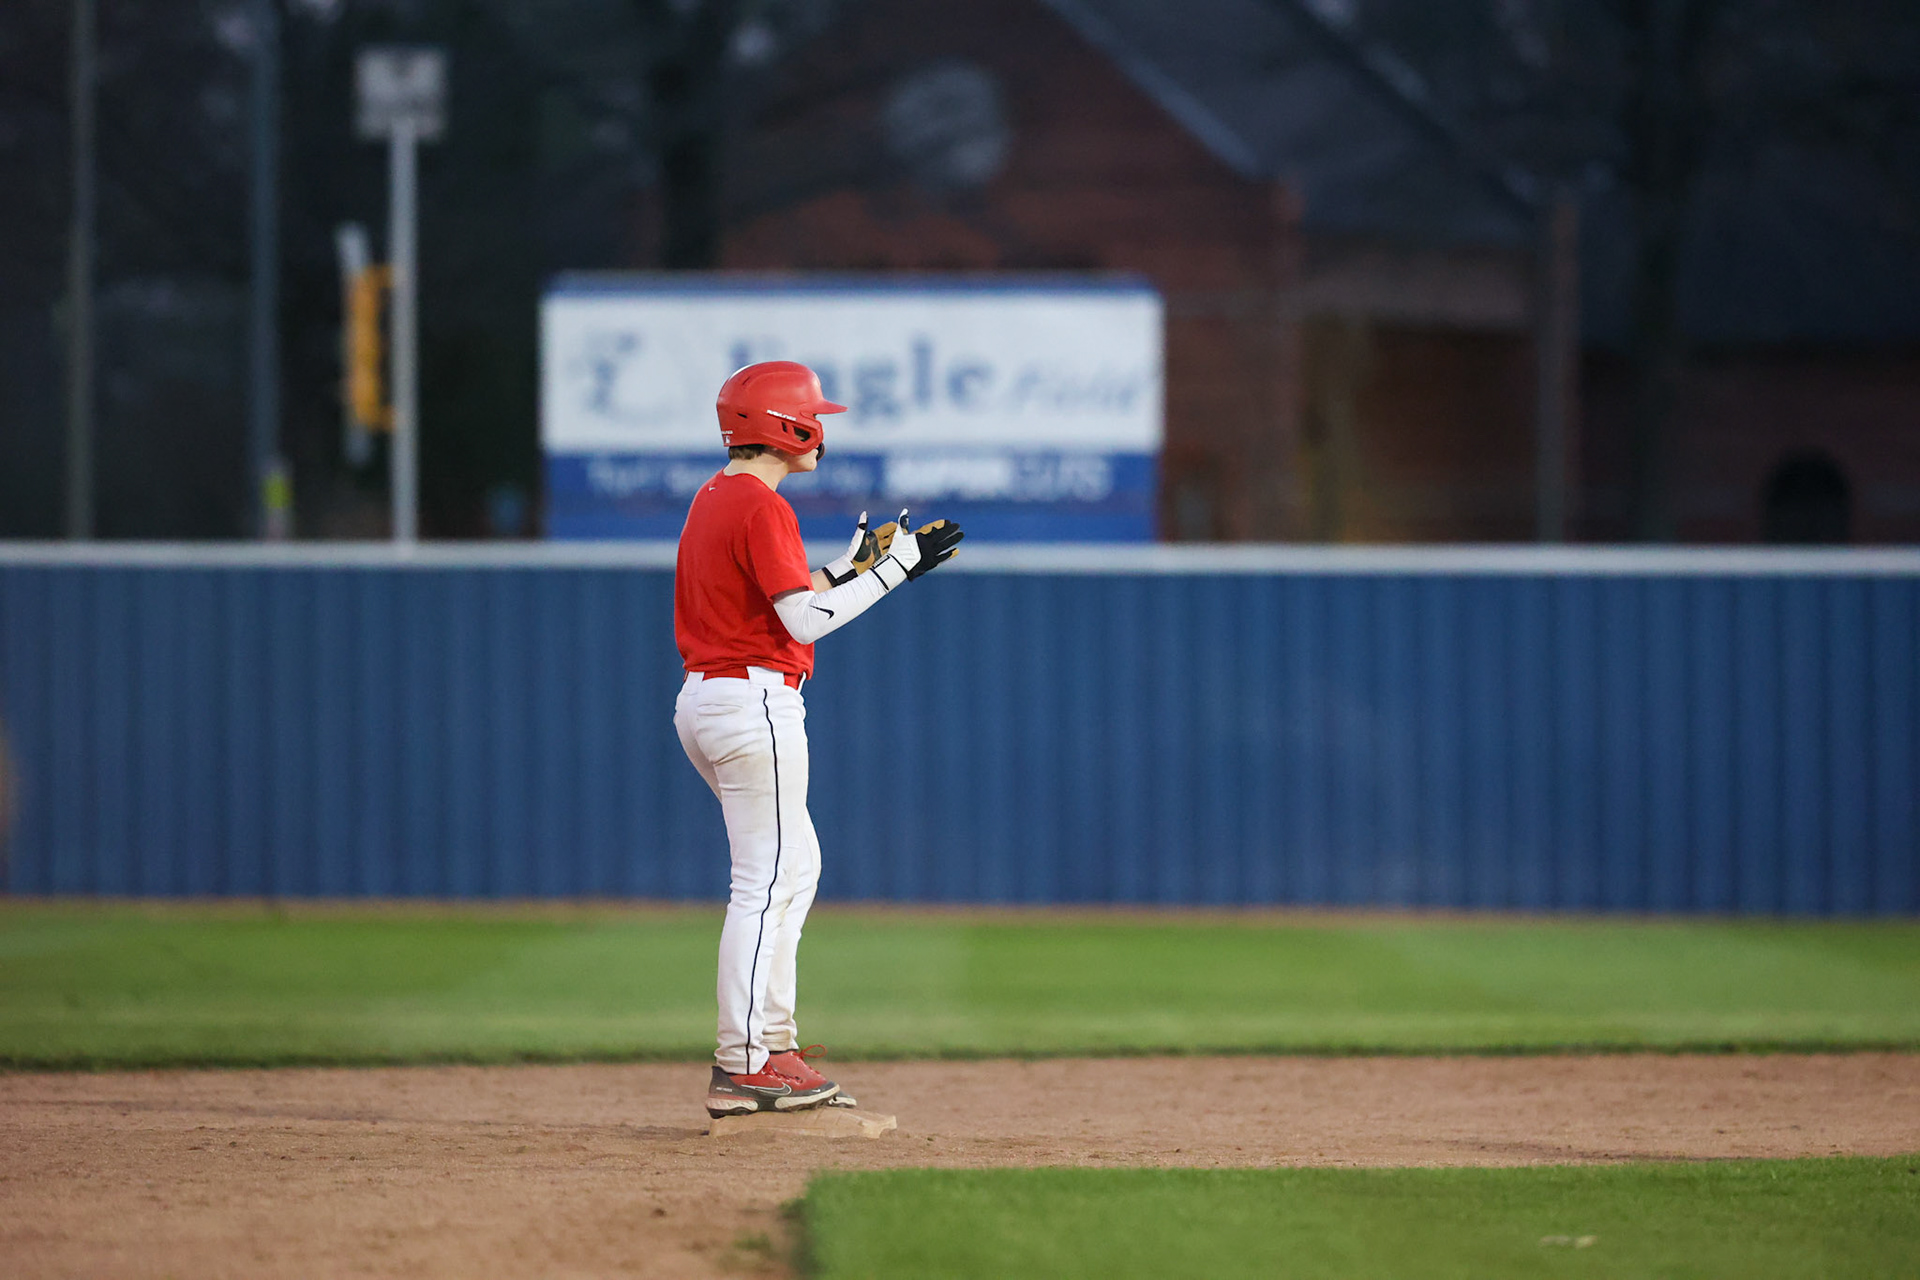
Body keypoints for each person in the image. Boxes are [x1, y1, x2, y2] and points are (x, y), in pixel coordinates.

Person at [673, 360, 963, 1117]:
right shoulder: (760, 506)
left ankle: (772, 1046)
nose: (820, 430)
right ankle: (743, 1064)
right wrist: (894, 572)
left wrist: (848, 568)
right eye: (811, 416)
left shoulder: (719, 496)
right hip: (752, 702)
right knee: (765, 883)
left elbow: (780, 600)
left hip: (715, 697)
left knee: (794, 865)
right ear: (785, 426)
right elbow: (801, 623)